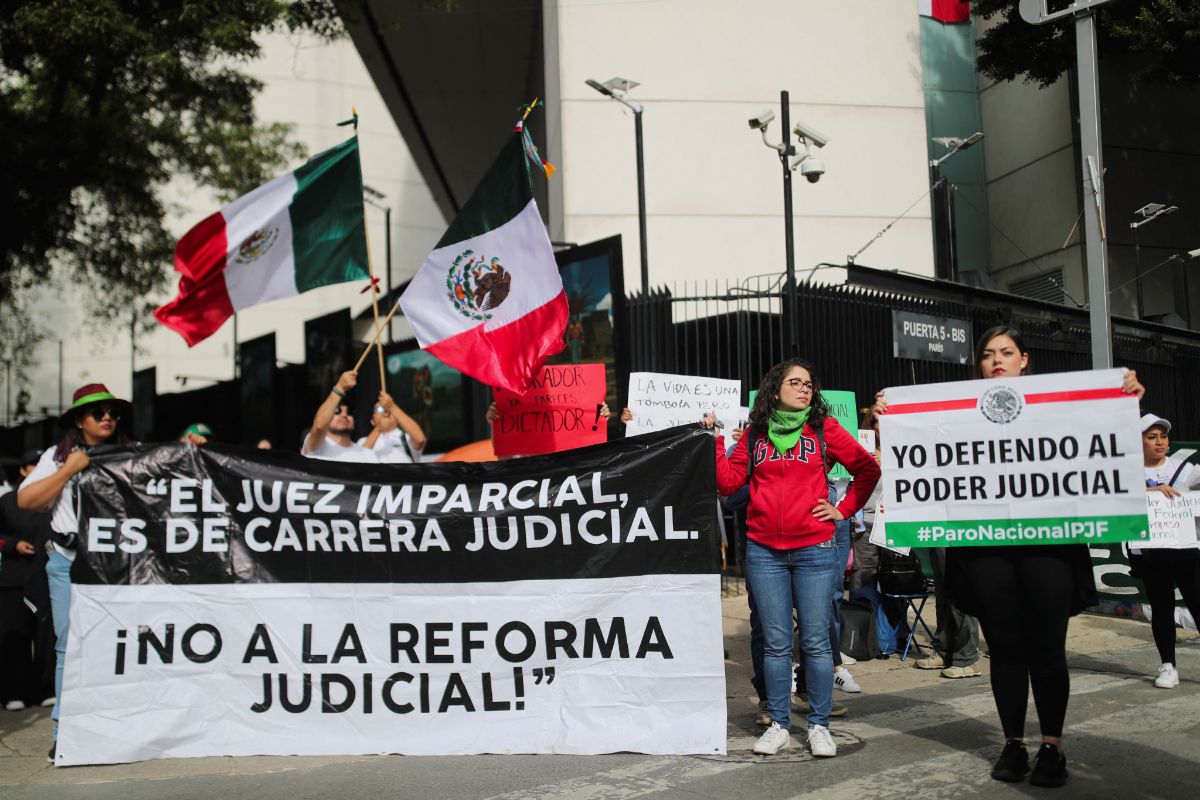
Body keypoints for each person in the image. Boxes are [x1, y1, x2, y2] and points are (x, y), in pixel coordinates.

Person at [878, 326, 1144, 787]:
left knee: (1047, 646)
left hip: (1049, 545)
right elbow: (922, 452)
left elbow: (1099, 438)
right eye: (988, 354)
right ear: (980, 365)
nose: (996, 360)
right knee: (1004, 647)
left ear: (1024, 359)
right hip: (986, 548)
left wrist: (1123, 398)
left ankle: (1052, 747)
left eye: (1006, 352)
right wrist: (892, 414)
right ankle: (1013, 743)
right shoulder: (956, 413)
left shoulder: (1057, 406)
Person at [706, 358, 880, 758]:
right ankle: (780, 725)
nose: (805, 388)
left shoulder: (823, 428)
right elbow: (729, 483)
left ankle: (819, 726)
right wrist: (715, 441)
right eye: (795, 382)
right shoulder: (756, 433)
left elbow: (866, 469)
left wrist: (843, 510)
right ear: (774, 390)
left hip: (815, 550)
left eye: (808, 384)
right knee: (776, 644)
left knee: (816, 642)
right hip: (764, 551)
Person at [16, 384, 141, 762]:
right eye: (98, 412)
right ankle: (65, 731)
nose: (108, 418)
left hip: (120, 563)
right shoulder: (57, 457)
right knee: (70, 645)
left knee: (123, 642)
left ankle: (122, 725)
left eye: (113, 412)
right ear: (79, 421)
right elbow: (26, 500)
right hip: (68, 561)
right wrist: (69, 470)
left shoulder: (132, 452)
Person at [1131, 413, 1200, 690]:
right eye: (1151, 437)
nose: (1159, 442)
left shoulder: (1186, 469)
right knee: (1161, 608)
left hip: (1185, 549)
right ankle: (1168, 665)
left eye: (1163, 436)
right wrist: (1152, 492)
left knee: (1197, 602)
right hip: (1151, 551)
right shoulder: (1129, 474)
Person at [0, 449, 54, 712]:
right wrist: (13, 545)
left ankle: (45, 689)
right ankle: (13, 691)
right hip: (15, 579)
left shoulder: (55, 498)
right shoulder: (7, 501)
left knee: (47, 637)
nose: (37, 469)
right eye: (33, 465)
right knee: (16, 636)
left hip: (48, 577)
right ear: (23, 470)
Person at [302, 370, 379, 463]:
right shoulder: (316, 446)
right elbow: (319, 427)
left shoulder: (369, 455)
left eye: (349, 412)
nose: (344, 415)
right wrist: (340, 388)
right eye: (337, 411)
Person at [357, 391, 427, 464]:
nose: (385, 412)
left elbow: (420, 439)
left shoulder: (406, 438)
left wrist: (392, 407)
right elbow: (360, 460)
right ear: (372, 421)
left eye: (388, 409)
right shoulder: (363, 441)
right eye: (379, 409)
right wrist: (378, 429)